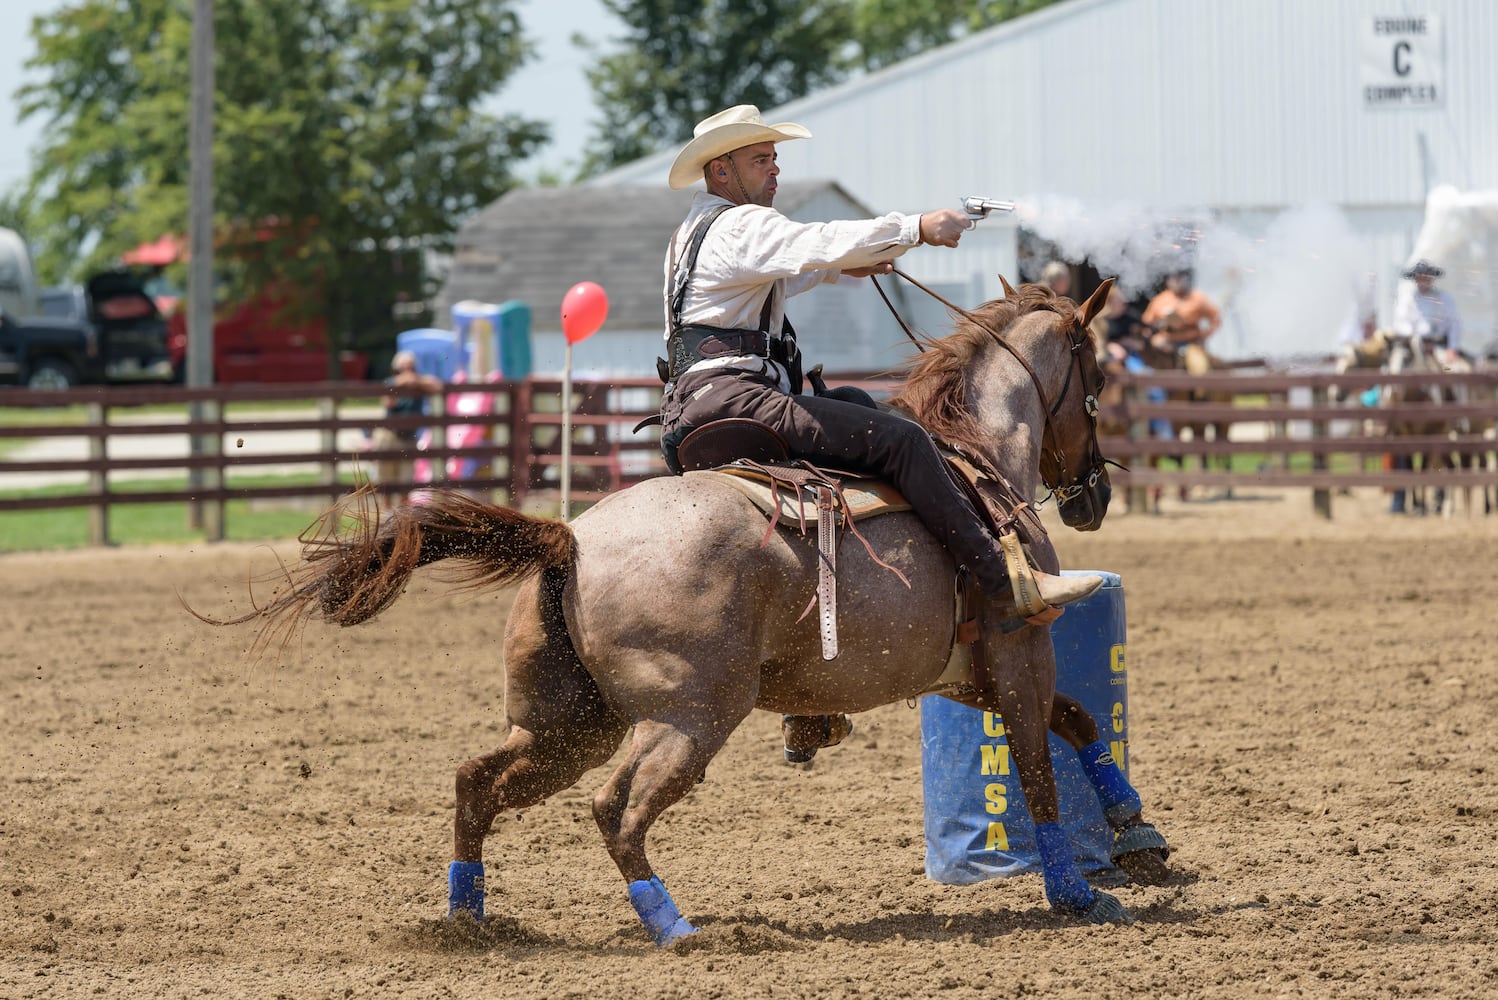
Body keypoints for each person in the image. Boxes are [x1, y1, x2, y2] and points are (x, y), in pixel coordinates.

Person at [656, 104, 1103, 692]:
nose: (774, 171)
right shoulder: (741, 225)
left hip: (695, 408)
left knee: (857, 408)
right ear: (720, 172)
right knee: (904, 439)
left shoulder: (698, 232)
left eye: (773, 159)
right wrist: (916, 227)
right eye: (760, 160)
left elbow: (786, 270)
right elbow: (809, 243)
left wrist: (848, 267)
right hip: (737, 400)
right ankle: (1004, 583)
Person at [372, 350, 442, 506]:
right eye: (403, 369)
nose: (408, 372)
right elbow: (387, 402)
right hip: (389, 436)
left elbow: (437, 386)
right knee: (386, 480)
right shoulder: (390, 382)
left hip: (409, 437)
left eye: (411, 368)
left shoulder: (420, 383)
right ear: (396, 370)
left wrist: (416, 381)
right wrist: (403, 382)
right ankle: (387, 514)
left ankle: (403, 519)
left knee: (406, 482)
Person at [1392, 259, 1464, 365]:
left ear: (1432, 277)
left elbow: (1455, 324)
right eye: (1420, 276)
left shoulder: (1445, 298)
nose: (1423, 279)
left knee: (1454, 371)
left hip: (1438, 348)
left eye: (1426, 276)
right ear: (1415, 278)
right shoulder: (1407, 299)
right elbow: (1400, 324)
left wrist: (1452, 348)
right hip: (1411, 349)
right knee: (1395, 370)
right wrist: (1415, 339)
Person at [1142, 268, 1220, 353]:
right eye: (1173, 278)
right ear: (1167, 280)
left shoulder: (1198, 298)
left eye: (1179, 277)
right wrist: (1152, 336)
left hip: (1192, 340)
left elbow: (1215, 318)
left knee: (1198, 362)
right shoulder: (1159, 300)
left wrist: (1204, 336)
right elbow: (1147, 323)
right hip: (1168, 340)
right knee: (1157, 346)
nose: (1176, 281)